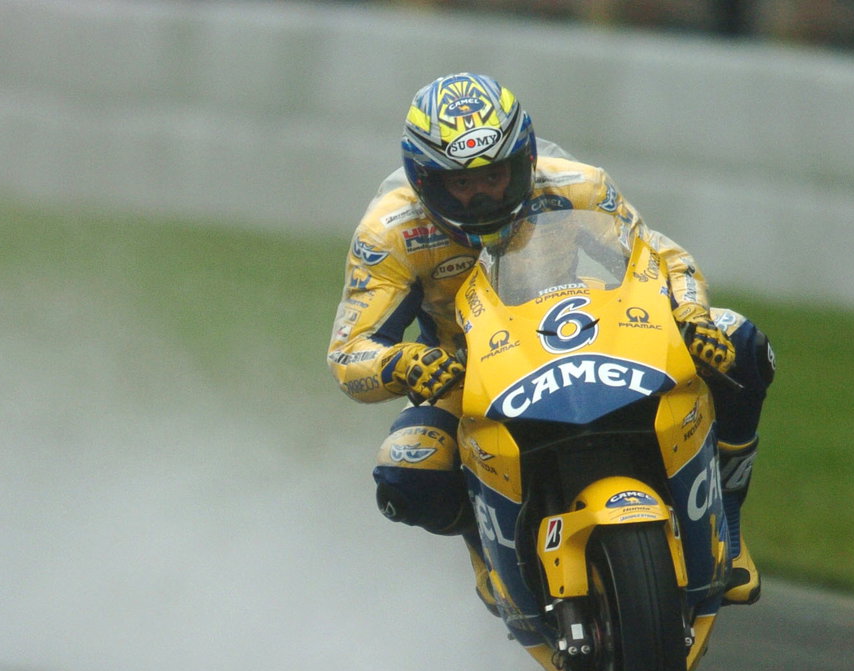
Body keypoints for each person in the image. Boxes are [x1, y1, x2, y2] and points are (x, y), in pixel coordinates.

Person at [327, 72, 775, 608]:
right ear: (424, 180)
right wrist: (403, 362)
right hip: (465, 372)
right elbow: (350, 351)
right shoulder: (391, 232)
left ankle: (726, 515)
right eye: (460, 183)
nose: (482, 194)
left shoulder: (578, 186)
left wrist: (692, 317)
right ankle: (487, 552)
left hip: (592, 337)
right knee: (407, 473)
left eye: (496, 175)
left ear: (526, 158)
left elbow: (663, 258)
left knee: (740, 343)